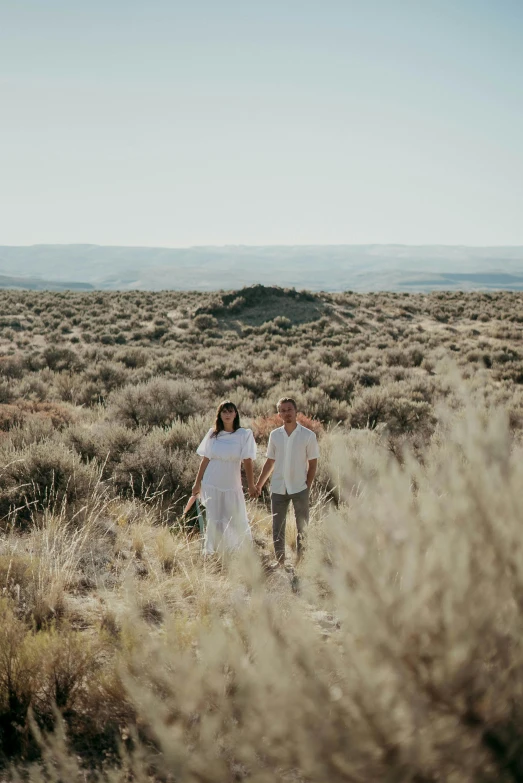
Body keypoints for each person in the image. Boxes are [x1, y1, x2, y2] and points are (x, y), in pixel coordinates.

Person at [255, 397, 320, 567]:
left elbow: (313, 464)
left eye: (289, 409)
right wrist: (259, 484)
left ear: (296, 411)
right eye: (283, 410)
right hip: (278, 487)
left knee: (302, 528)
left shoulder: (308, 435)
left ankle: (301, 562)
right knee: (278, 527)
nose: (286, 413)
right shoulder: (275, 435)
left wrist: (307, 485)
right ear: (279, 414)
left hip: (300, 488)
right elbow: (270, 462)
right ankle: (281, 561)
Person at [192, 400, 257, 555]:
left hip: (231, 483)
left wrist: (251, 484)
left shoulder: (244, 434)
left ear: (236, 414)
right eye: (224, 412)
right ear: (219, 415)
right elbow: (205, 459)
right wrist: (197, 483)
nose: (227, 415)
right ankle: (214, 552)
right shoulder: (213, 434)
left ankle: (237, 552)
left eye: (230, 411)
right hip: (211, 482)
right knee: (214, 517)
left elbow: (247, 461)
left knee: (234, 516)